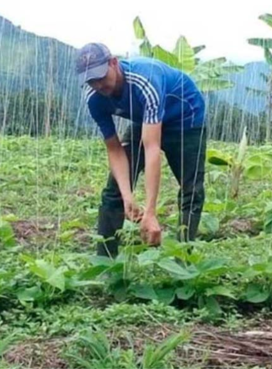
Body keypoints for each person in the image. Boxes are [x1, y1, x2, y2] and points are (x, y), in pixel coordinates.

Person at [75, 42, 207, 257]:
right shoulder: (94, 99)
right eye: (91, 80)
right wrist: (128, 196)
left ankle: (184, 256)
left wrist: (151, 212)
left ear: (114, 63)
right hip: (145, 119)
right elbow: (114, 150)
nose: (98, 84)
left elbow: (152, 148)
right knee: (114, 191)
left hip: (185, 119)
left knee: (191, 190)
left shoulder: (145, 80)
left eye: (101, 76)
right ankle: (105, 261)